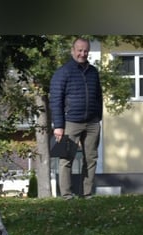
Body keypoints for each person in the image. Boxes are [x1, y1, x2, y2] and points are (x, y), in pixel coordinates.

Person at [49, 37, 103, 199]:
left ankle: (87, 194)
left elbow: (98, 96)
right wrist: (58, 125)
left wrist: (98, 116)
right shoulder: (63, 72)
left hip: (92, 122)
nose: (83, 53)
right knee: (66, 159)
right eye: (79, 50)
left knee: (91, 158)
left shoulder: (93, 72)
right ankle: (66, 195)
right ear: (73, 51)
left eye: (85, 50)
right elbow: (56, 99)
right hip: (70, 122)